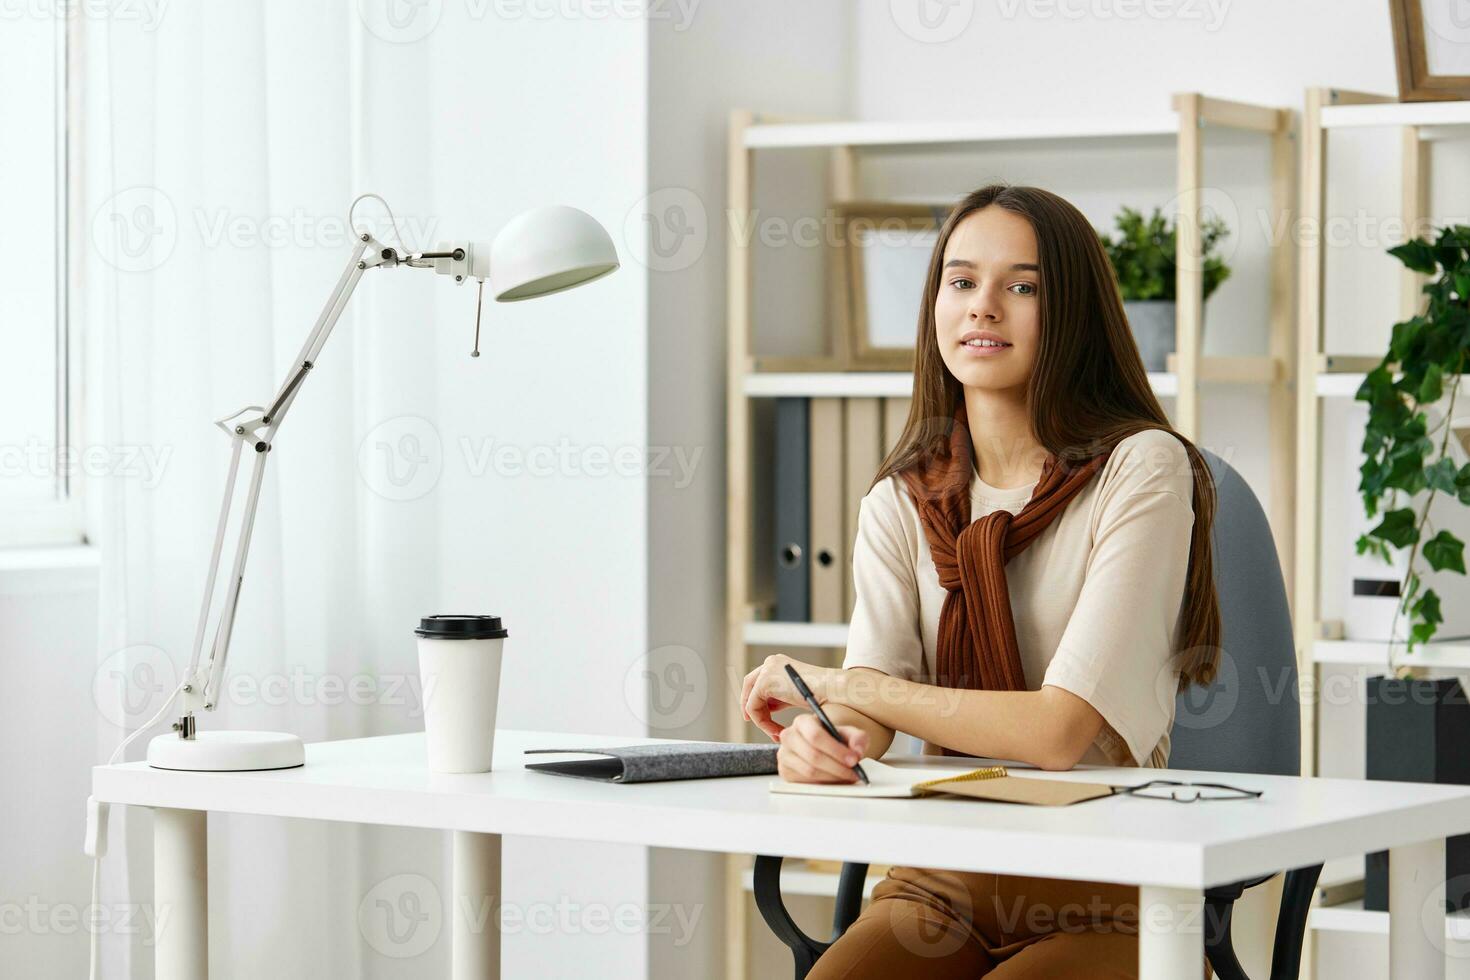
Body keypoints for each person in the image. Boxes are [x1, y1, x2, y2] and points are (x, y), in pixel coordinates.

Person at [739, 183, 1220, 977]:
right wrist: (824, 740)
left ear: (1072, 313)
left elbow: (1058, 734)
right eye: (961, 282)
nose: (983, 307)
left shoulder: (1142, 468)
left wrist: (840, 681)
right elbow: (871, 711)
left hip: (1107, 891)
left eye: (1021, 287)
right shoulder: (902, 498)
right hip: (940, 880)